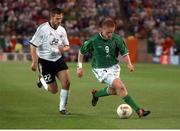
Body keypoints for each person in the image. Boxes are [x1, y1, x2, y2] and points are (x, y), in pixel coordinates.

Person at [76, 18, 151, 117]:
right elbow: (81, 52)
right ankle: (139, 110)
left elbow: (125, 52)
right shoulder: (93, 40)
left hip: (114, 67)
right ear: (102, 29)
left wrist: (129, 64)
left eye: (112, 32)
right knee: (120, 86)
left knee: (114, 90)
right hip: (100, 69)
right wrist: (80, 67)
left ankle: (96, 95)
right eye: (108, 32)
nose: (110, 34)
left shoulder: (117, 39)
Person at [30, 8, 71, 115]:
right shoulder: (42, 29)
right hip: (45, 62)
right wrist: (34, 62)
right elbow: (33, 45)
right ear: (51, 17)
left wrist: (63, 49)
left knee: (66, 83)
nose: (59, 21)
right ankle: (41, 79)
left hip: (58, 60)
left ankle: (62, 108)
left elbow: (67, 46)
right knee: (53, 90)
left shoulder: (62, 30)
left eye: (61, 19)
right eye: (57, 19)